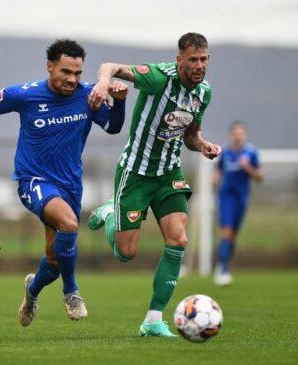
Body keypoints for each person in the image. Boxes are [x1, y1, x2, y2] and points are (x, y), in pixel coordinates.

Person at [0, 39, 128, 327]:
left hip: (70, 186)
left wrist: (121, 102)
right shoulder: (25, 95)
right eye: (66, 72)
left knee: (53, 262)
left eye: (77, 73)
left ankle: (32, 290)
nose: (72, 79)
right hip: (33, 181)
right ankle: (71, 292)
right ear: (49, 66)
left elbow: (113, 127)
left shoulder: (88, 95)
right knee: (69, 224)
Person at [87, 32, 221, 337]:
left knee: (179, 240)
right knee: (126, 253)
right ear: (179, 60)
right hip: (135, 173)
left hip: (168, 174)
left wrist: (203, 146)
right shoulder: (159, 78)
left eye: (203, 59)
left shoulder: (204, 92)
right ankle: (110, 213)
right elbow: (110, 65)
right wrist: (102, 84)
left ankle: (152, 319)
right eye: (192, 60)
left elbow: (190, 136)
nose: (199, 65)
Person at [213, 121, 263, 286]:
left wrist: (247, 167)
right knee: (226, 231)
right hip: (226, 196)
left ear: (244, 135)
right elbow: (219, 170)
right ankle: (224, 270)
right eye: (235, 132)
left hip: (242, 198)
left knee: (233, 235)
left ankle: (224, 262)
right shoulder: (225, 152)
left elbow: (260, 177)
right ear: (231, 134)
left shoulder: (251, 152)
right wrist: (215, 179)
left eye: (241, 133)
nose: (238, 135)